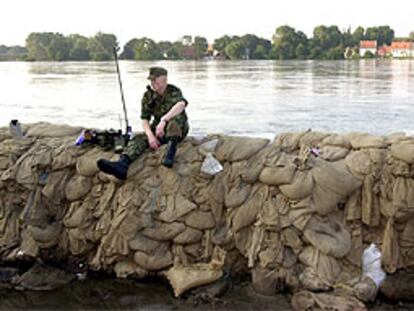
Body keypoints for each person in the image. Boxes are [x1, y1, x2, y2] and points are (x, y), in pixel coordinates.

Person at [97, 67, 189, 180]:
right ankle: (122, 165)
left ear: (164, 80)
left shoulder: (173, 91)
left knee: (174, 120)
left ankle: (169, 154)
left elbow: (181, 104)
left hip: (177, 129)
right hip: (159, 130)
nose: (152, 83)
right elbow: (144, 119)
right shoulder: (148, 95)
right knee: (139, 138)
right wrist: (150, 136)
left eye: (155, 80)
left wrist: (163, 120)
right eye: (151, 80)